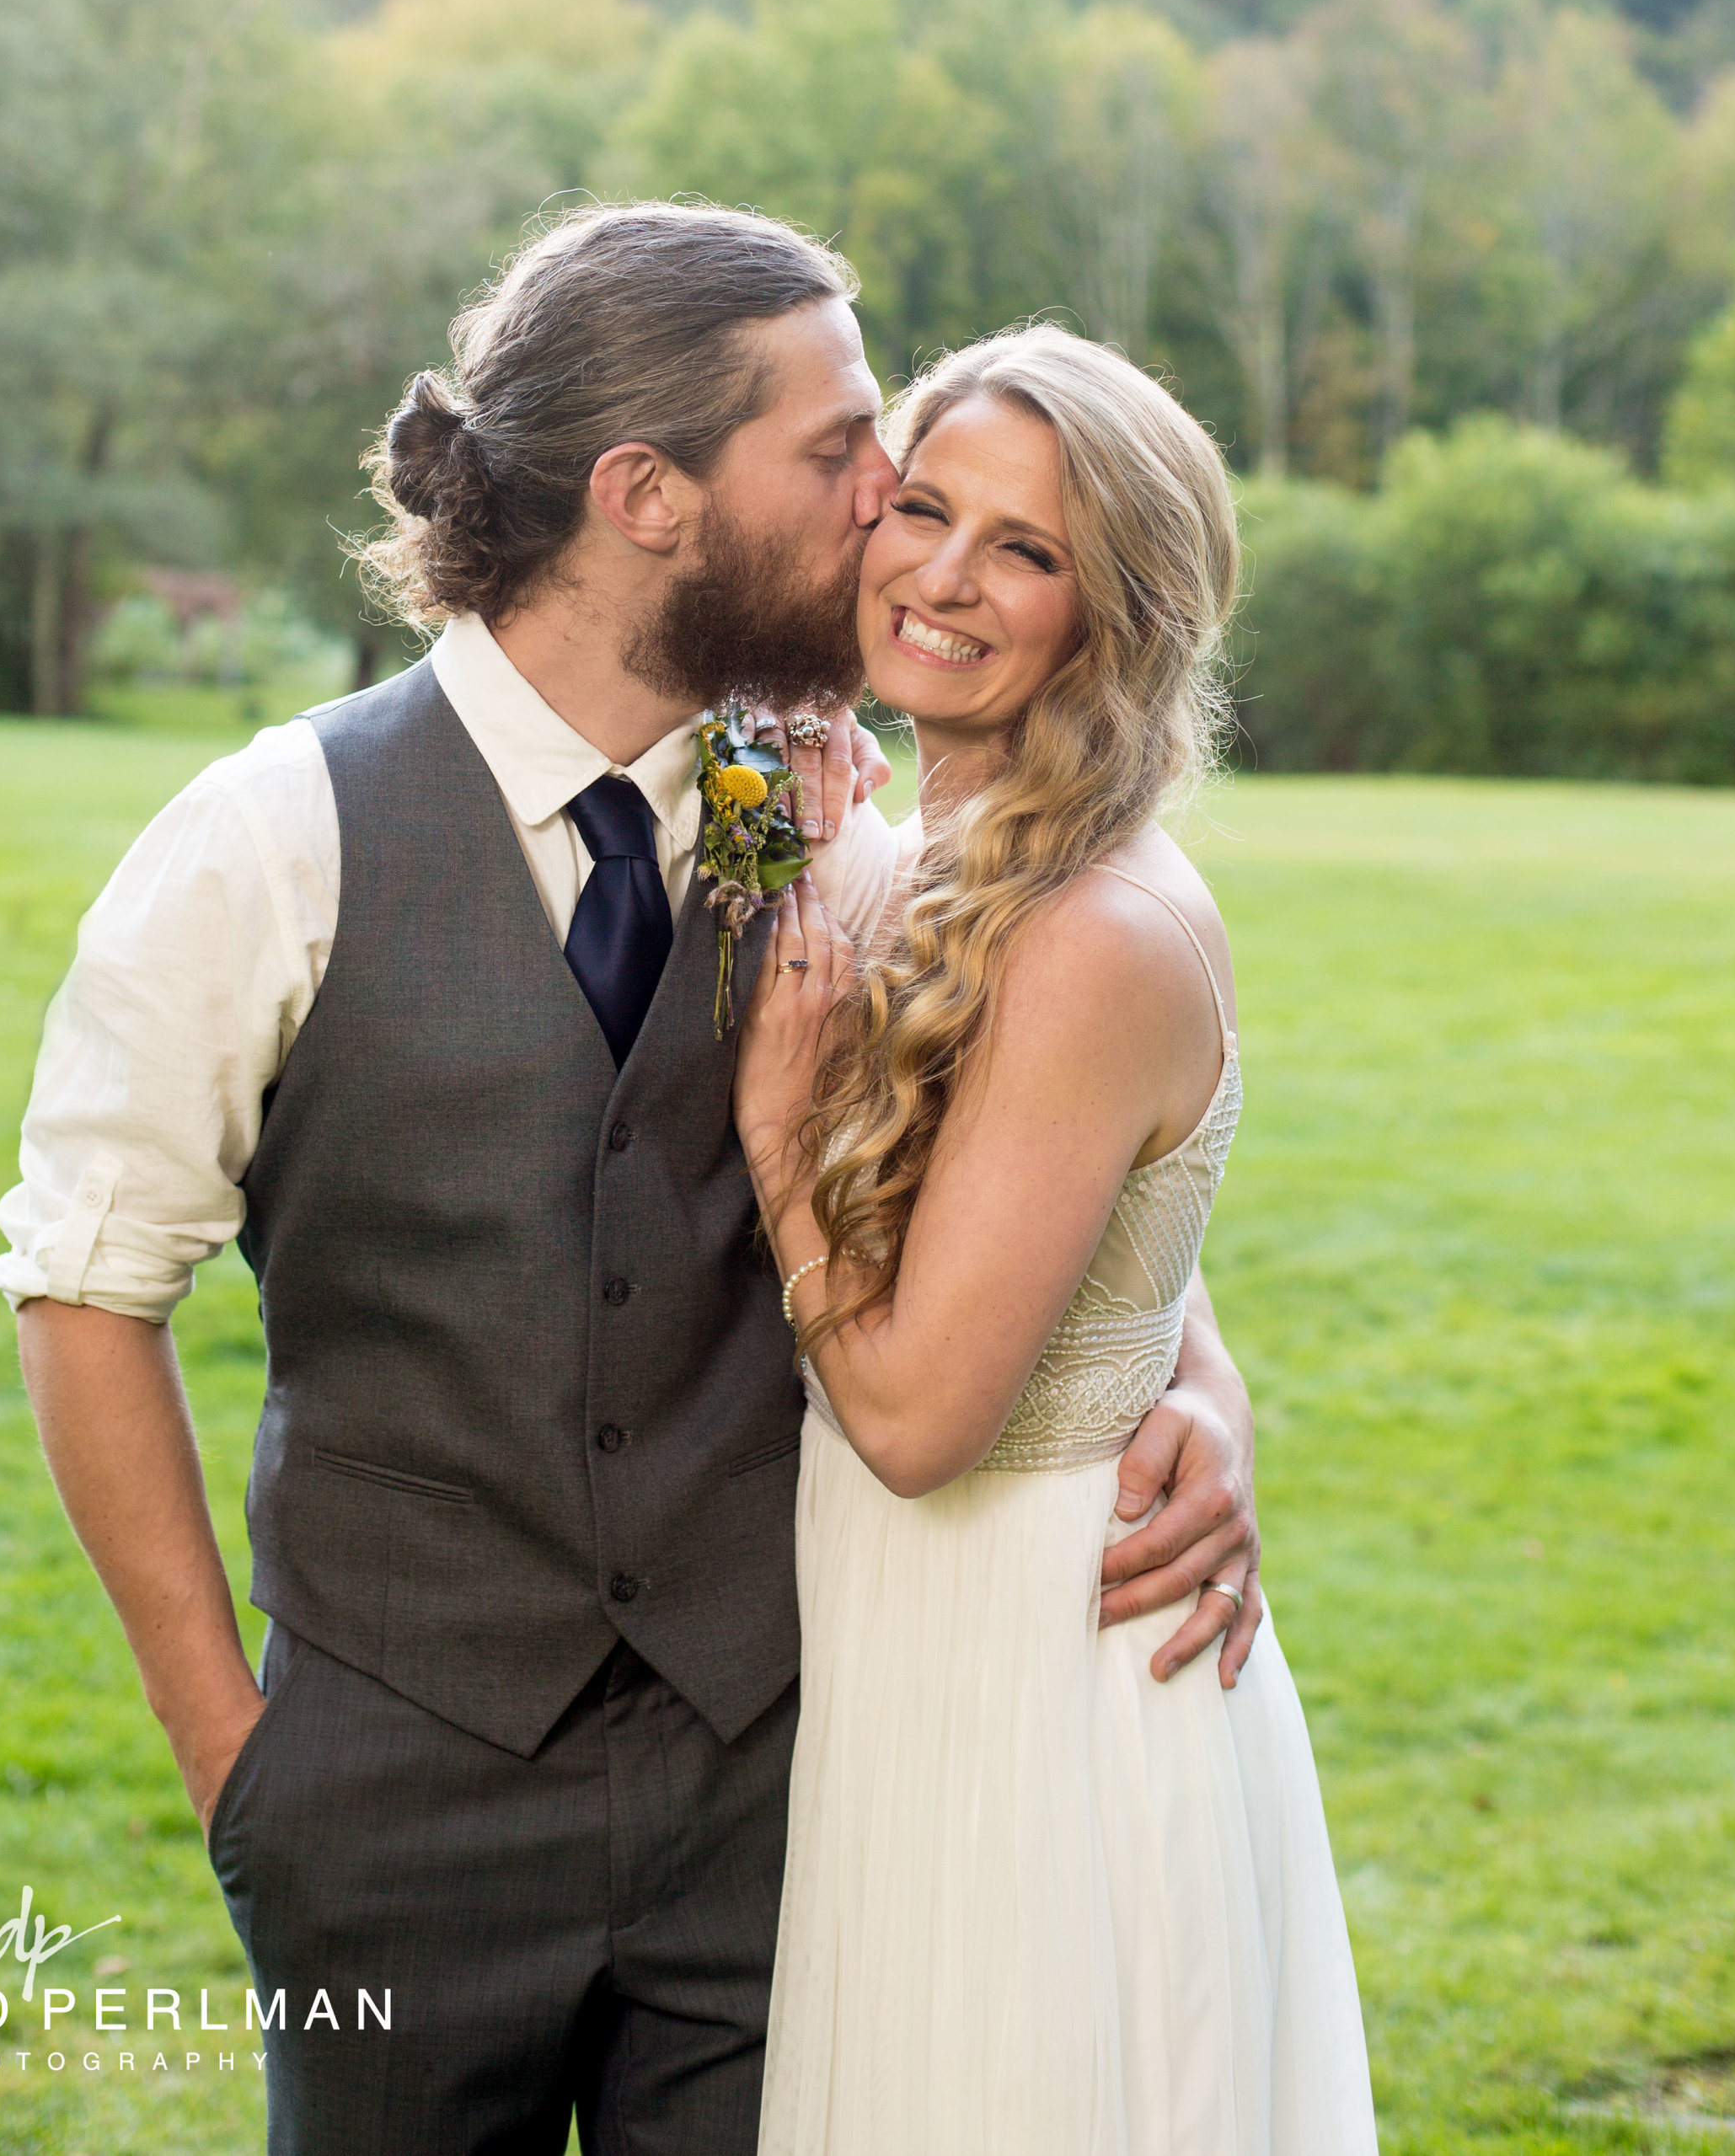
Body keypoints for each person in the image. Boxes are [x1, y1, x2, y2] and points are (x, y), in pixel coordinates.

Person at [0, 204, 1266, 2156]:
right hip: (395, 1797)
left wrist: (1181, 1370)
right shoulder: (269, 838)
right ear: (645, 493)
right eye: (844, 458)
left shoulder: (815, 813)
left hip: (787, 1783)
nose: (884, 509)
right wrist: (234, 1761)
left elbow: (1024, 1152)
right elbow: (86, 1289)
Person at [734, 324, 1376, 2156]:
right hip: (903, 1622)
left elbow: (923, 1420)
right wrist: (1204, 1369)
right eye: (922, 508)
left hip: (1029, 1650)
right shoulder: (894, 838)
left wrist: (777, 1125)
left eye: (1022, 549)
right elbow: (1089, 1236)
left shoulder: (1092, 929)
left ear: (1118, 609)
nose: (942, 574)